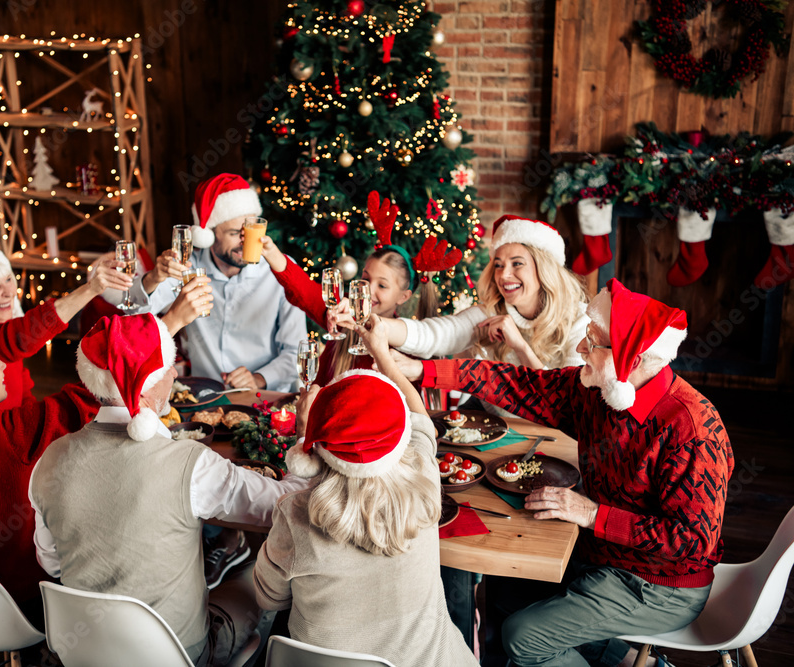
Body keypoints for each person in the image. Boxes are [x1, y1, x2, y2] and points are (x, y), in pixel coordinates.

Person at [386, 278, 734, 667]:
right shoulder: (599, 390)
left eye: (594, 340)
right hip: (603, 558)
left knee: (524, 637)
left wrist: (589, 514)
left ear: (631, 358)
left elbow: (692, 540)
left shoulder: (692, 429)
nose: (580, 347)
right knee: (505, 591)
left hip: (658, 585)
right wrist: (425, 370)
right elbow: (519, 384)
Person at [0, 268, 210, 607]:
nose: (3, 367)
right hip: (26, 599)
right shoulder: (9, 435)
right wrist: (172, 322)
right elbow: (94, 392)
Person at [29, 313, 308, 666]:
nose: (175, 374)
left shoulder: (49, 461)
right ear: (145, 384)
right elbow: (282, 505)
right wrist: (303, 438)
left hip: (82, 652)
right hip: (177, 656)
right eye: (167, 368)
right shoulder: (192, 464)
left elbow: (51, 564)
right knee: (255, 578)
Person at [253, 338, 478, 667]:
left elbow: (268, 597)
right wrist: (383, 356)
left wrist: (305, 431)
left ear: (314, 456)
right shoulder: (426, 482)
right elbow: (419, 416)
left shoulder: (295, 514)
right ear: (401, 440)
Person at [371, 215, 589, 417]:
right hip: (489, 418)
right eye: (498, 265)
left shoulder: (579, 319)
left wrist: (521, 347)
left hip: (549, 429)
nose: (504, 275)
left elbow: (565, 401)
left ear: (544, 268)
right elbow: (433, 334)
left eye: (517, 263)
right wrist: (371, 321)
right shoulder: (490, 313)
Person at [143, 173, 307, 393]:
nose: (245, 241)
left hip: (266, 398)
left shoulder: (279, 271)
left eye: (249, 231)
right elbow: (137, 314)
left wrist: (259, 378)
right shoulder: (186, 269)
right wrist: (154, 278)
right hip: (204, 398)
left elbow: (296, 350)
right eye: (233, 233)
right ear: (208, 236)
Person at [0, 247, 151, 411]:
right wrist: (90, 290)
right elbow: (21, 338)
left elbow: (24, 395)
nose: (9, 292)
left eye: (8, 280)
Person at [259, 232, 439, 387]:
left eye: (382, 286)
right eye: (365, 279)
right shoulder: (341, 312)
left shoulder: (406, 344)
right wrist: (271, 252)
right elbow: (303, 290)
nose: (368, 290)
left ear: (403, 297)